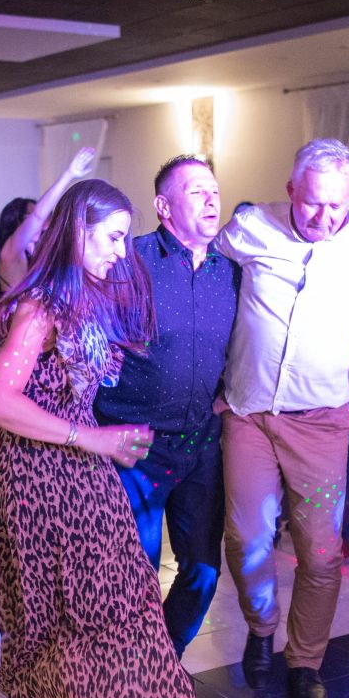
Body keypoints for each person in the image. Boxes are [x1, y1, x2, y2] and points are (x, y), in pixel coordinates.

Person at [0, 178, 204, 698]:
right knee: (55, 602)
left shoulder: (91, 294)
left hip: (80, 466)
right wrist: (93, 438)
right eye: (112, 237)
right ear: (77, 231)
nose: (120, 250)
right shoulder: (41, 305)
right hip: (36, 472)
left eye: (125, 238)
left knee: (116, 591)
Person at [213, 138, 349, 698]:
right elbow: (206, 283)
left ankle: (305, 661)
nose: (323, 217)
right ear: (290, 189)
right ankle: (261, 626)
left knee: (321, 554)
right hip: (248, 414)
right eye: (312, 202)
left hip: (322, 424)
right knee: (246, 539)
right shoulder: (252, 227)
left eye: (337, 205)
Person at [94, 155, 239, 656]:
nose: (211, 199)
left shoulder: (230, 272)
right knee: (135, 573)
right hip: (135, 444)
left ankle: (164, 659)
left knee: (202, 570)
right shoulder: (129, 261)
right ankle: (132, 671)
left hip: (201, 442)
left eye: (213, 190)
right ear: (163, 206)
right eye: (196, 191)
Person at [0, 147, 98, 297]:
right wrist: (69, 174)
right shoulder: (11, 253)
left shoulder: (39, 252)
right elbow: (38, 216)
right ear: (17, 223)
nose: (41, 221)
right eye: (29, 217)